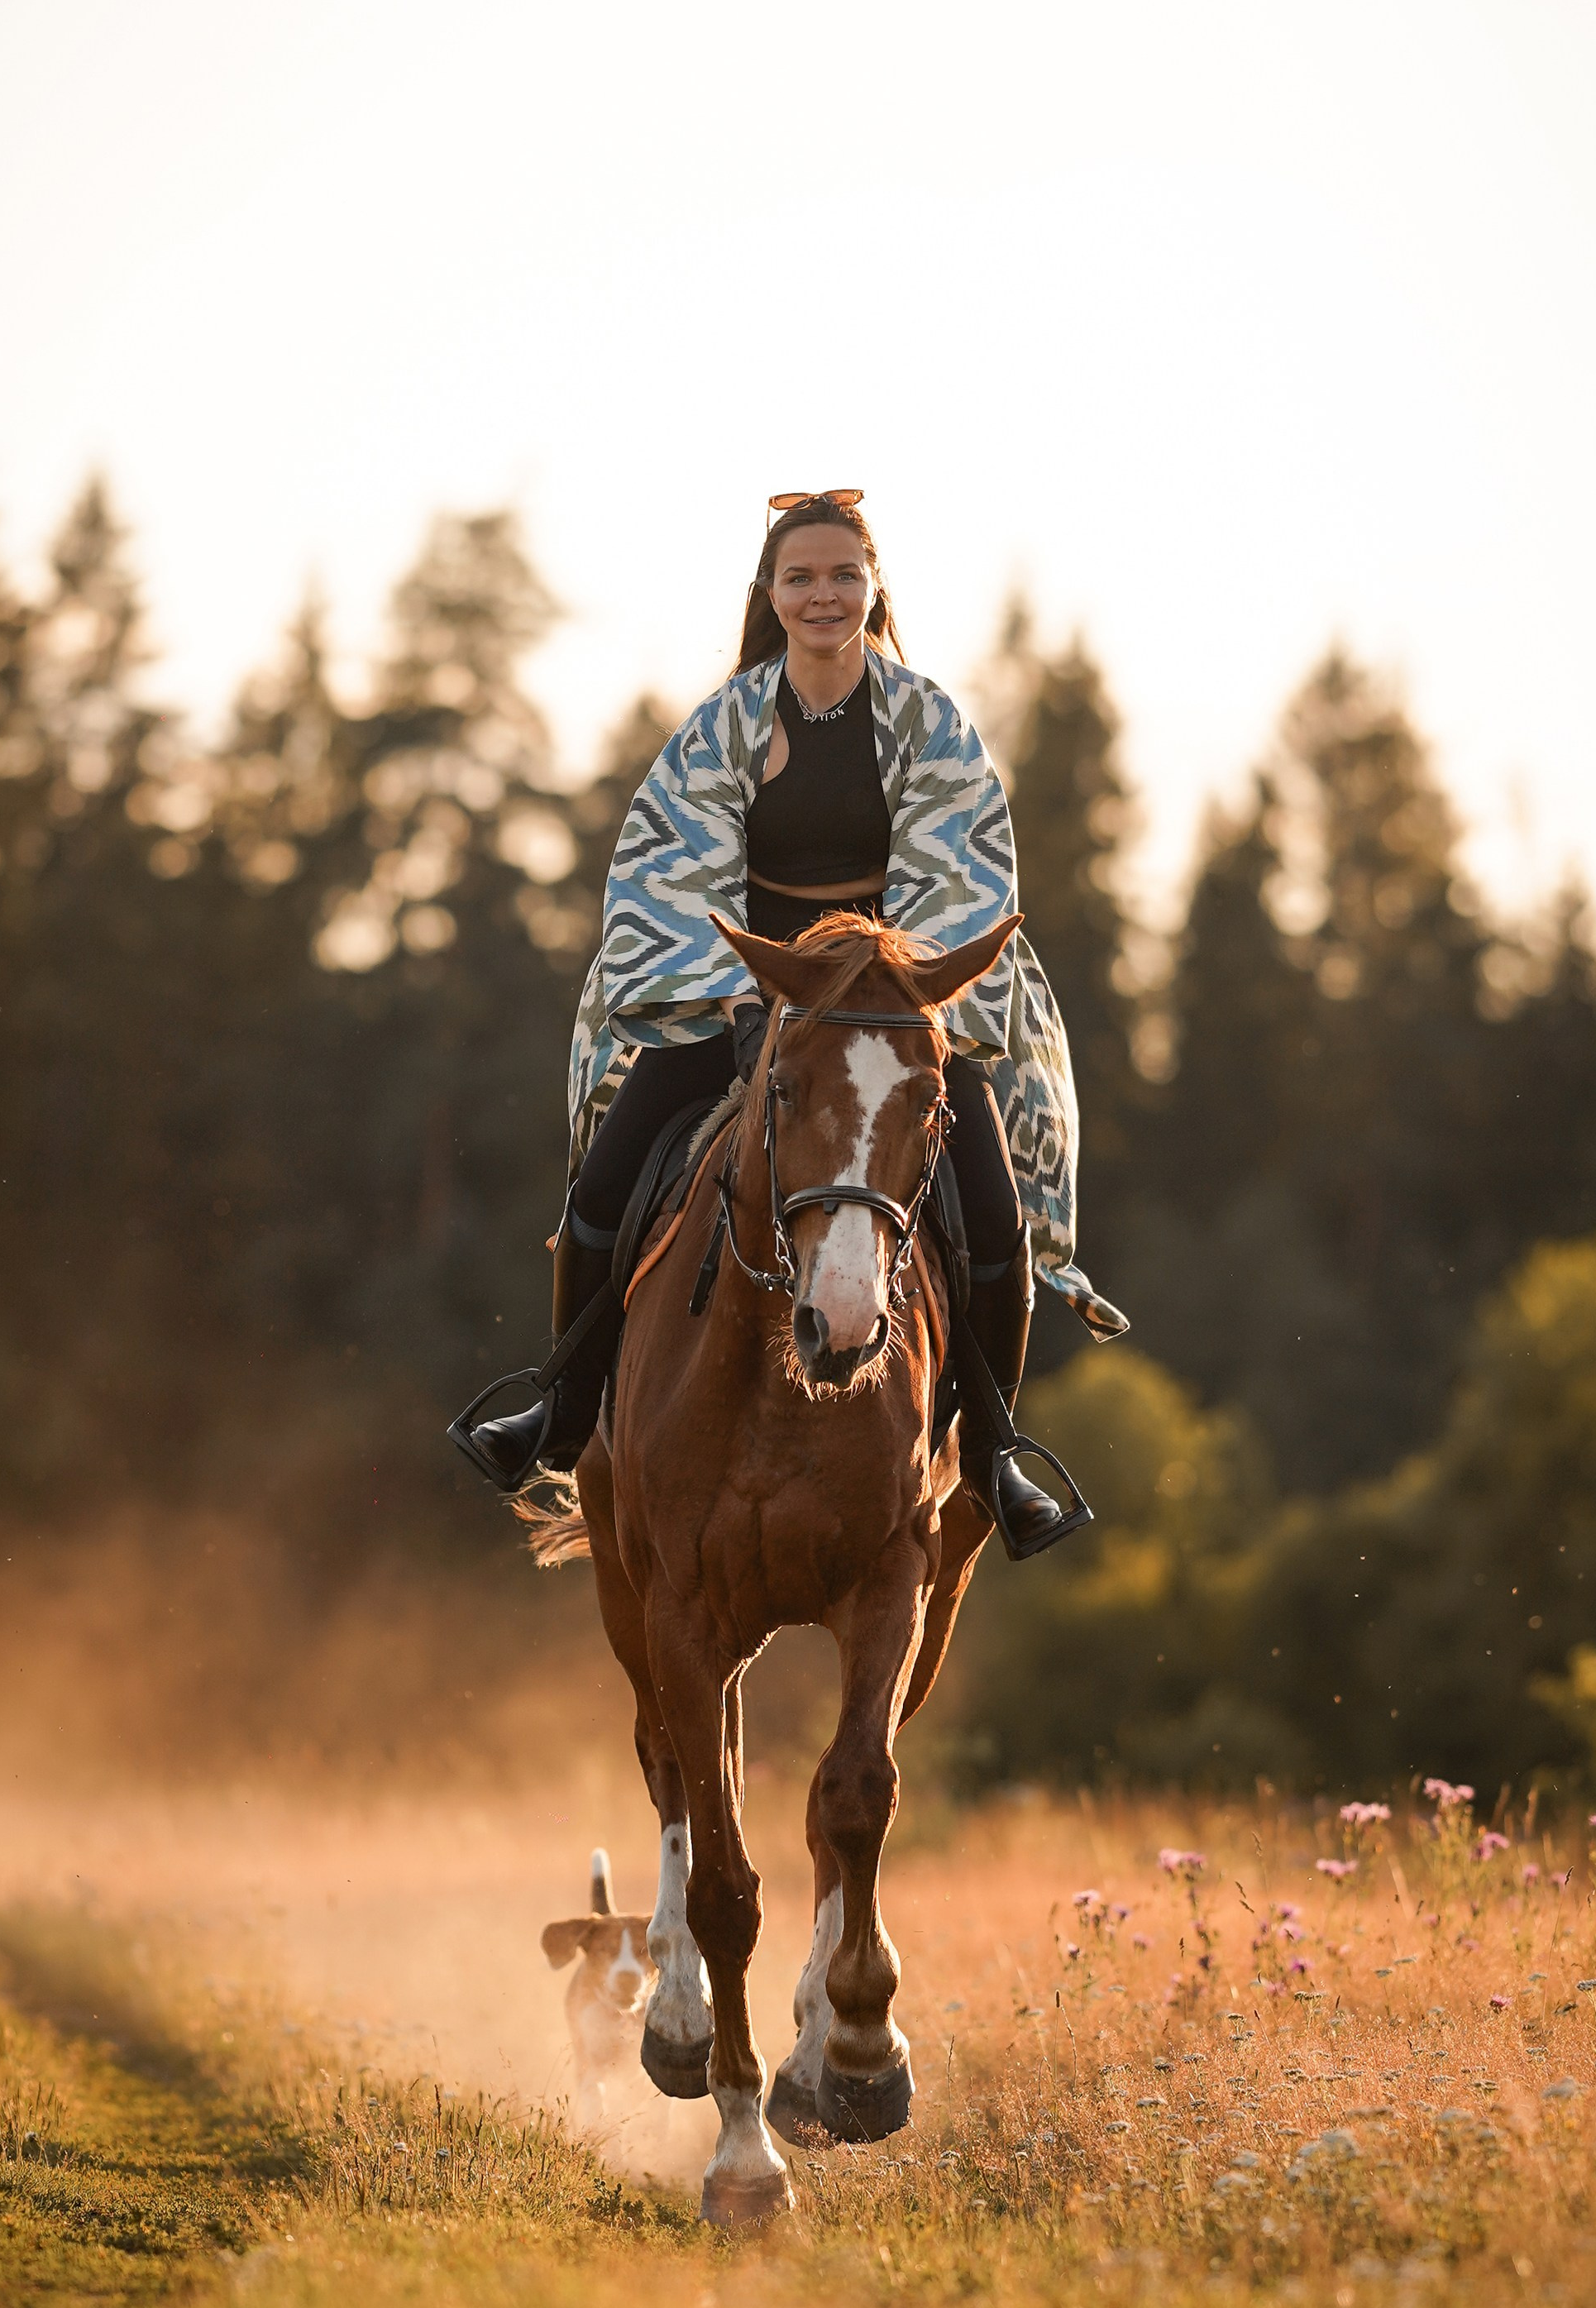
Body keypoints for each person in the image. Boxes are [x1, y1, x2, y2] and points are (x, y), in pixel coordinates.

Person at [451, 490, 1125, 1556]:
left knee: (994, 1213)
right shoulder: (721, 728)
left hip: (889, 1010)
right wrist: (741, 1002)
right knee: (603, 1187)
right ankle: (565, 1406)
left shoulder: (931, 723)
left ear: (872, 590)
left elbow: (960, 877)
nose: (823, 594)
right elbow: (673, 878)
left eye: (842, 575)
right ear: (771, 595)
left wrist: (888, 1002)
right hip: (743, 998)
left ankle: (993, 1452)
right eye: (801, 577)